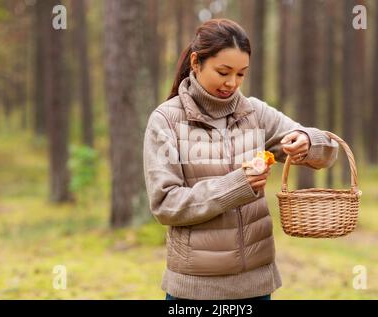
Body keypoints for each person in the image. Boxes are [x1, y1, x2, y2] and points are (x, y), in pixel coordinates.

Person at [143, 18, 338, 300]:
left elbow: (327, 154)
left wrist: (309, 141)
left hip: (256, 286)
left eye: (241, 74)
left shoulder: (253, 113)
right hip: (194, 289)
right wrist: (237, 184)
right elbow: (165, 204)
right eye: (223, 72)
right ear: (196, 63)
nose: (232, 83)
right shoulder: (166, 120)